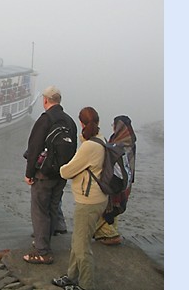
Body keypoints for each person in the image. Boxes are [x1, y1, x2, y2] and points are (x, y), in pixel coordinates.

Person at [52, 106, 108, 290]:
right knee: (78, 240)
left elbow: (66, 171)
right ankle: (71, 276)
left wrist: (82, 142)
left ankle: (85, 285)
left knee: (82, 247)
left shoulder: (89, 146)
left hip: (88, 202)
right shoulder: (101, 140)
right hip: (99, 198)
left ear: (82, 123)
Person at [22, 86, 77, 264]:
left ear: (45, 100)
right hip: (61, 174)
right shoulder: (69, 121)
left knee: (39, 210)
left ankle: (42, 251)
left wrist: (29, 173)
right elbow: (73, 149)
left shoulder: (45, 120)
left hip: (44, 174)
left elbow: (34, 147)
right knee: (53, 208)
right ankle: (45, 241)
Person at [93, 115, 137, 245]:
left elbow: (110, 156)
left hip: (117, 181)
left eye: (114, 124)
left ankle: (109, 233)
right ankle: (110, 230)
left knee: (109, 206)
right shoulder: (130, 141)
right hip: (126, 182)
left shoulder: (119, 142)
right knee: (115, 207)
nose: (112, 126)